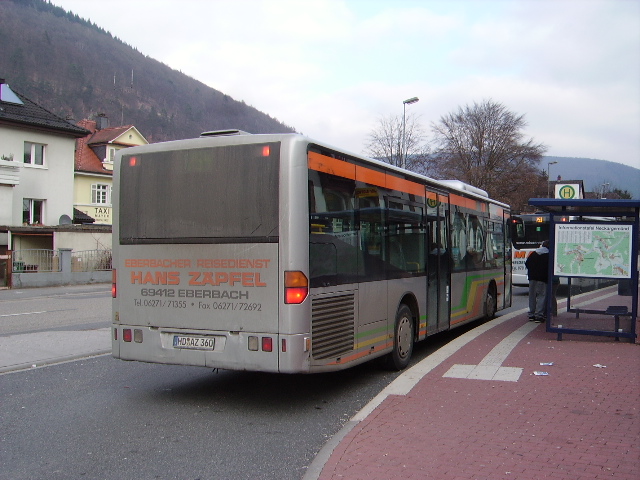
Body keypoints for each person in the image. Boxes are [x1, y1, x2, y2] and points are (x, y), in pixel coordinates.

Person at [525, 240, 550, 323]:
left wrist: (532, 271)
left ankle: (531, 314)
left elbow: (527, 264)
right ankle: (539, 315)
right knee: (541, 296)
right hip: (543, 279)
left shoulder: (534, 254)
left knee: (532, 296)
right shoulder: (548, 255)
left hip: (532, 278)